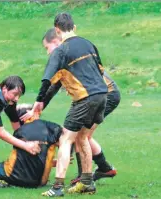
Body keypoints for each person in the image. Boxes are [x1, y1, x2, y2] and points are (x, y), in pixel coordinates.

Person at [21, 12, 108, 196]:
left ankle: (57, 187)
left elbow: (47, 79)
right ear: (73, 27)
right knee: (82, 137)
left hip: (85, 98)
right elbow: (100, 70)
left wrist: (38, 101)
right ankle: (87, 183)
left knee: (65, 138)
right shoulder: (88, 43)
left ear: (57, 30)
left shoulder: (61, 50)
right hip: (102, 95)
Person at [42, 27, 119, 185]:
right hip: (101, 95)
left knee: (81, 136)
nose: (47, 53)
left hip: (106, 94)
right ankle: (99, 170)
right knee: (79, 135)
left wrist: (38, 106)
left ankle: (88, 175)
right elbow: (54, 86)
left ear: (56, 42)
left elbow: (53, 87)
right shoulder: (68, 57)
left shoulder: (68, 54)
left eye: (47, 47)